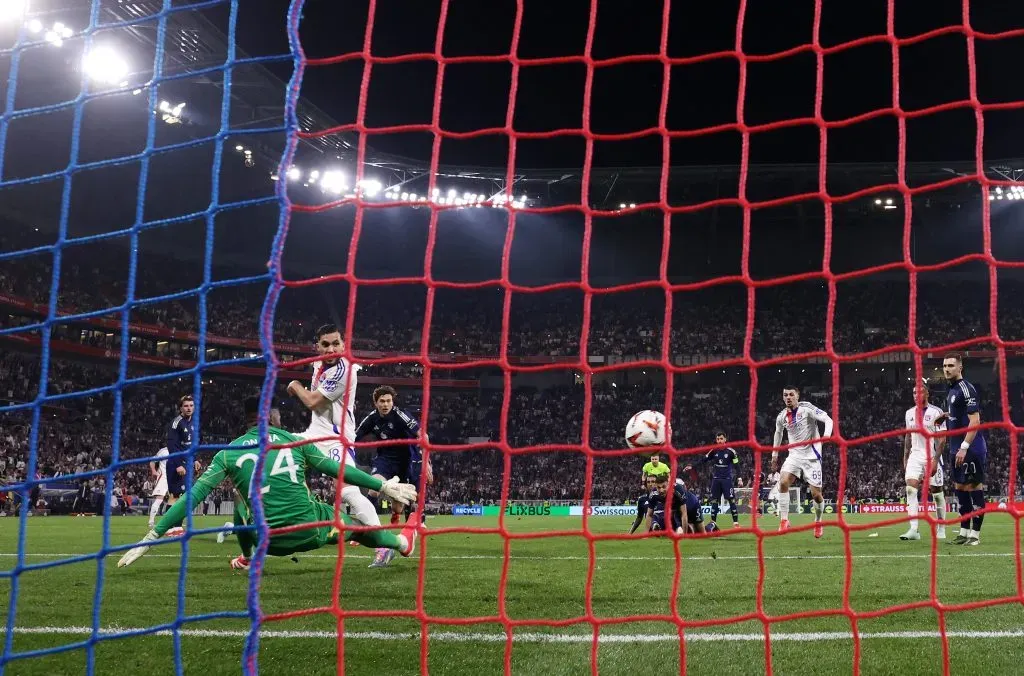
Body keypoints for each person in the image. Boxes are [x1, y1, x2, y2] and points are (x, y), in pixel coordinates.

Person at [118, 397, 420, 571]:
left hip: (269, 542)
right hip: (312, 529)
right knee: (354, 526)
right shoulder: (293, 440)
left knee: (240, 499)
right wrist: (381, 487)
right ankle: (401, 543)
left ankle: (249, 559)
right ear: (271, 418)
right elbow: (337, 469)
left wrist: (153, 534)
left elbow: (193, 496)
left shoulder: (229, 452)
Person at [286, 323, 391, 567]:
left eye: (336, 343)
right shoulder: (317, 364)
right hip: (314, 433)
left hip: (336, 438)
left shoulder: (345, 370)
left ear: (343, 345)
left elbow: (312, 401)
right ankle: (283, 528)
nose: (331, 348)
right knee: (277, 459)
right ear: (318, 347)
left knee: (347, 491)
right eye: (326, 344)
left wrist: (294, 386)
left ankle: (384, 543)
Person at [354, 386, 434, 527]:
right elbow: (353, 436)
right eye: (382, 401)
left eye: (388, 401)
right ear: (376, 403)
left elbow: (423, 435)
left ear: (392, 402)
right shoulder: (372, 418)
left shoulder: (401, 415)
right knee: (373, 487)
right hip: (385, 459)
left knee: (401, 504)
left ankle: (399, 515)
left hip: (407, 460)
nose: (385, 404)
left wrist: (426, 463)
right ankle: (365, 526)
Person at [771, 386, 833, 537]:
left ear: (797, 396)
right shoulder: (781, 416)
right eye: (785, 395)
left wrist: (826, 436)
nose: (788, 397)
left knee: (816, 495)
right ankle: (784, 520)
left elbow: (828, 419)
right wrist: (774, 455)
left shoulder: (807, 408)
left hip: (812, 457)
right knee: (783, 482)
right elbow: (778, 433)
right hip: (794, 456)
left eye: (791, 394)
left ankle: (818, 522)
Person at [940, 353, 987, 546]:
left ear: (960, 368)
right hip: (955, 448)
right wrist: (945, 415)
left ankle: (975, 535)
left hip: (970, 448)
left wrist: (964, 447)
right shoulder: (951, 390)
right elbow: (958, 415)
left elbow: (975, 421)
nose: (947, 369)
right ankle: (964, 531)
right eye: (944, 366)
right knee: (959, 488)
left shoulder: (967, 389)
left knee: (973, 487)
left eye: (951, 365)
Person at [900, 378, 947, 541]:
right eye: (913, 392)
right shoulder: (909, 413)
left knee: (937, 492)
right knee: (910, 488)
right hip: (915, 455)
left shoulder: (936, 412)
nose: (916, 394)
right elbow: (907, 436)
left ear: (927, 393)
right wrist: (905, 457)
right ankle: (913, 529)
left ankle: (941, 526)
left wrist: (935, 459)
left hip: (932, 456)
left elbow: (942, 439)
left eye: (919, 391)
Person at [684, 432, 740, 528]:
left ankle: (735, 523)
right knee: (715, 501)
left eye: (721, 439)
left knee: (731, 500)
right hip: (716, 480)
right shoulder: (714, 450)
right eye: (718, 439)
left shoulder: (731, 452)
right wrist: (692, 466)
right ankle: (713, 522)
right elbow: (703, 460)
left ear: (725, 439)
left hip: (727, 480)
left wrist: (739, 478)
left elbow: (737, 466)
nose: (719, 441)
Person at [165, 395, 197, 508]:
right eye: (186, 406)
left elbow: (192, 444)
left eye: (191, 405)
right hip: (176, 464)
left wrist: (195, 459)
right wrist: (178, 465)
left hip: (187, 463)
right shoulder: (176, 422)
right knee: (175, 495)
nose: (189, 408)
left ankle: (176, 523)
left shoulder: (194, 423)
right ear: (180, 408)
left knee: (185, 496)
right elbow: (171, 444)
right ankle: (169, 524)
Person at [148, 447, 169, 527]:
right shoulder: (163, 451)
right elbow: (152, 461)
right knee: (159, 499)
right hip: (163, 477)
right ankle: (151, 522)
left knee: (175, 500)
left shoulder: (179, 449)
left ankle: (174, 522)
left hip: (174, 478)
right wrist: (154, 471)